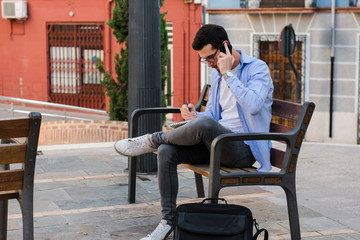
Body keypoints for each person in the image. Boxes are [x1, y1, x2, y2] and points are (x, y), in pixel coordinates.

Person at [115, 24, 273, 240]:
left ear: (224, 47)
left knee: (200, 128)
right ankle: (167, 222)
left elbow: (254, 105)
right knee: (167, 152)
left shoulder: (257, 69)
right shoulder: (218, 75)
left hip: (244, 150)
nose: (209, 64)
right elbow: (214, 116)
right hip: (216, 145)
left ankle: (153, 139)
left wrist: (228, 74)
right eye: (205, 60)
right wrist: (194, 117)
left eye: (210, 58)